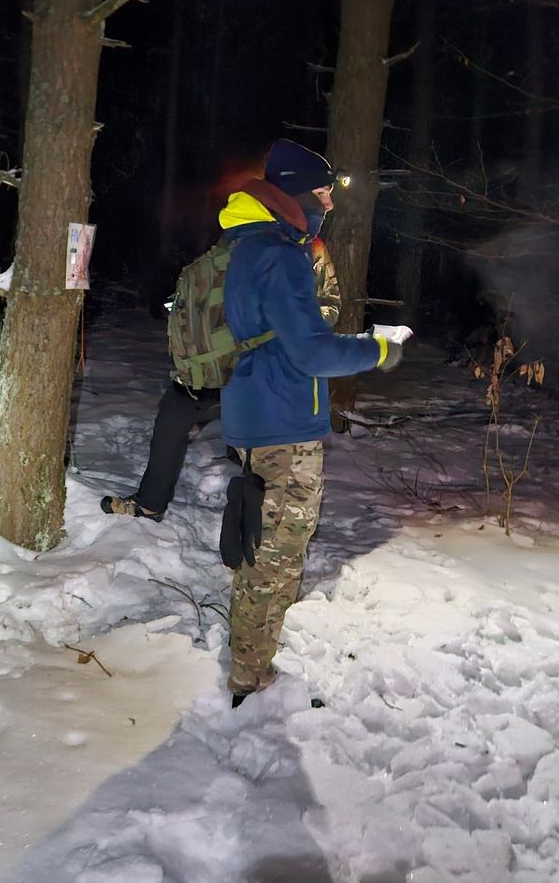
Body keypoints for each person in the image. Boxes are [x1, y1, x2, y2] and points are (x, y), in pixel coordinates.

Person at [218, 138, 403, 706]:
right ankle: (250, 677)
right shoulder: (280, 255)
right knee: (272, 555)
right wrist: (378, 350)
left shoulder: (254, 245)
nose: (330, 201)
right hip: (282, 422)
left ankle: (259, 654)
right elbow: (313, 352)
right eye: (323, 191)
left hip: (262, 410)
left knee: (271, 546)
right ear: (296, 192)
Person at [101, 203, 342, 523]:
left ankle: (265, 522)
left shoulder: (309, 249)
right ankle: (151, 503)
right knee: (172, 417)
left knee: (263, 455)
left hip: (261, 370)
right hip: (213, 365)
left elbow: (329, 307)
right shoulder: (236, 243)